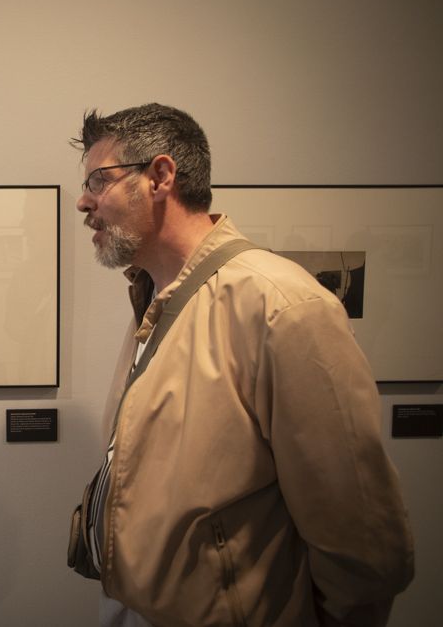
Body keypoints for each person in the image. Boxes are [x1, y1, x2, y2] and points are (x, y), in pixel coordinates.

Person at [69, 103, 413, 626]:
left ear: (160, 176)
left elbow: (359, 535)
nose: (83, 201)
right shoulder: (153, 295)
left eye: (99, 179)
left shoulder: (280, 304)